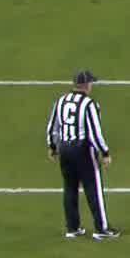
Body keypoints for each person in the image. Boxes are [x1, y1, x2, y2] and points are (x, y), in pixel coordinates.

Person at [47, 70, 115, 240]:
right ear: (86, 85)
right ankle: (101, 228)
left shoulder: (61, 101)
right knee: (93, 188)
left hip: (65, 150)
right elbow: (95, 132)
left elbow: (53, 126)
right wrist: (105, 152)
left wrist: (52, 146)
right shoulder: (89, 104)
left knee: (70, 188)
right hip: (82, 150)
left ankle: (72, 227)